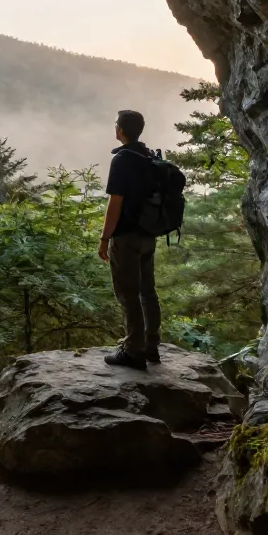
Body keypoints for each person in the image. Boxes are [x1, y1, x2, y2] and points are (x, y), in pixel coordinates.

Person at [97, 109, 161, 370]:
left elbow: (115, 202)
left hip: (126, 236)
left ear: (120, 130)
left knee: (128, 294)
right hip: (148, 233)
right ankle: (151, 346)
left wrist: (104, 238)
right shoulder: (148, 156)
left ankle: (133, 351)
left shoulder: (122, 159)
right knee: (147, 291)